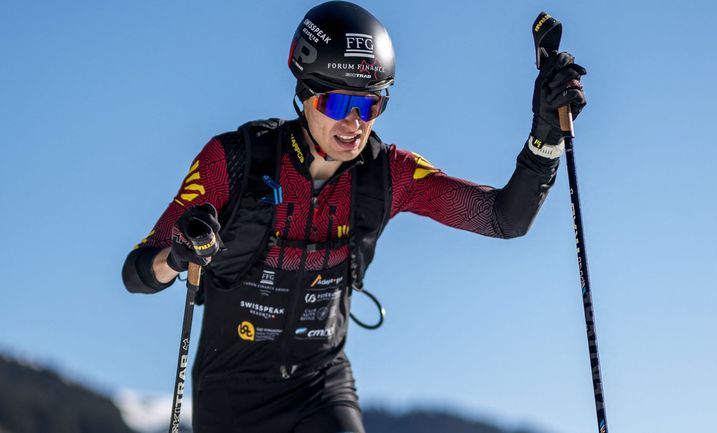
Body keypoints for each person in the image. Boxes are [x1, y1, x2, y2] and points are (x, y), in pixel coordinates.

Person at [121, 1, 587, 432]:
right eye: (340, 104)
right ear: (304, 94)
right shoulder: (233, 160)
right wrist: (178, 256)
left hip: (319, 386)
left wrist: (546, 135)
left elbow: (503, 219)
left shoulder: (390, 174)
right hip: (230, 394)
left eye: (371, 104)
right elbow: (137, 273)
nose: (355, 124)